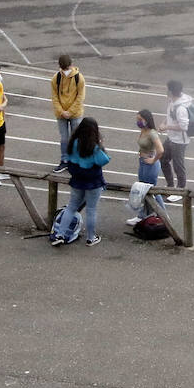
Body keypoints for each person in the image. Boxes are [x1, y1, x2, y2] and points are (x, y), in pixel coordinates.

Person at [55, 116, 110, 248]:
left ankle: (60, 234)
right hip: (93, 181)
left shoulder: (74, 142)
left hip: (77, 179)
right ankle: (91, 238)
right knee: (91, 209)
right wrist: (102, 145)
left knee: (71, 206)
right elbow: (104, 160)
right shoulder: (94, 147)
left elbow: (69, 157)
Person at [127, 109, 166, 226]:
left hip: (149, 164)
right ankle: (144, 215)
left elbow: (161, 150)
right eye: (137, 119)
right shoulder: (143, 130)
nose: (138, 122)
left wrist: (153, 160)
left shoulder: (152, 133)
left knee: (151, 190)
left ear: (146, 119)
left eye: (140, 119)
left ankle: (163, 215)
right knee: (144, 189)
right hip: (143, 162)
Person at [50, 54, 86, 174]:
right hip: (61, 114)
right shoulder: (56, 78)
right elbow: (54, 96)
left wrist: (70, 111)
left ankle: (76, 161)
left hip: (75, 113)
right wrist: (61, 111)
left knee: (75, 138)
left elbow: (80, 97)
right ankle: (65, 160)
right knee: (64, 138)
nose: (66, 71)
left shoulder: (79, 78)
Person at [158, 79, 194, 200]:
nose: (166, 91)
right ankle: (170, 186)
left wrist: (166, 126)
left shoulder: (181, 108)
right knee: (163, 158)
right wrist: (164, 122)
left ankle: (180, 190)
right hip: (171, 137)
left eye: (167, 89)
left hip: (180, 141)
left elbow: (184, 126)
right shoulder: (173, 101)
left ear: (171, 91)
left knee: (178, 165)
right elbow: (170, 115)